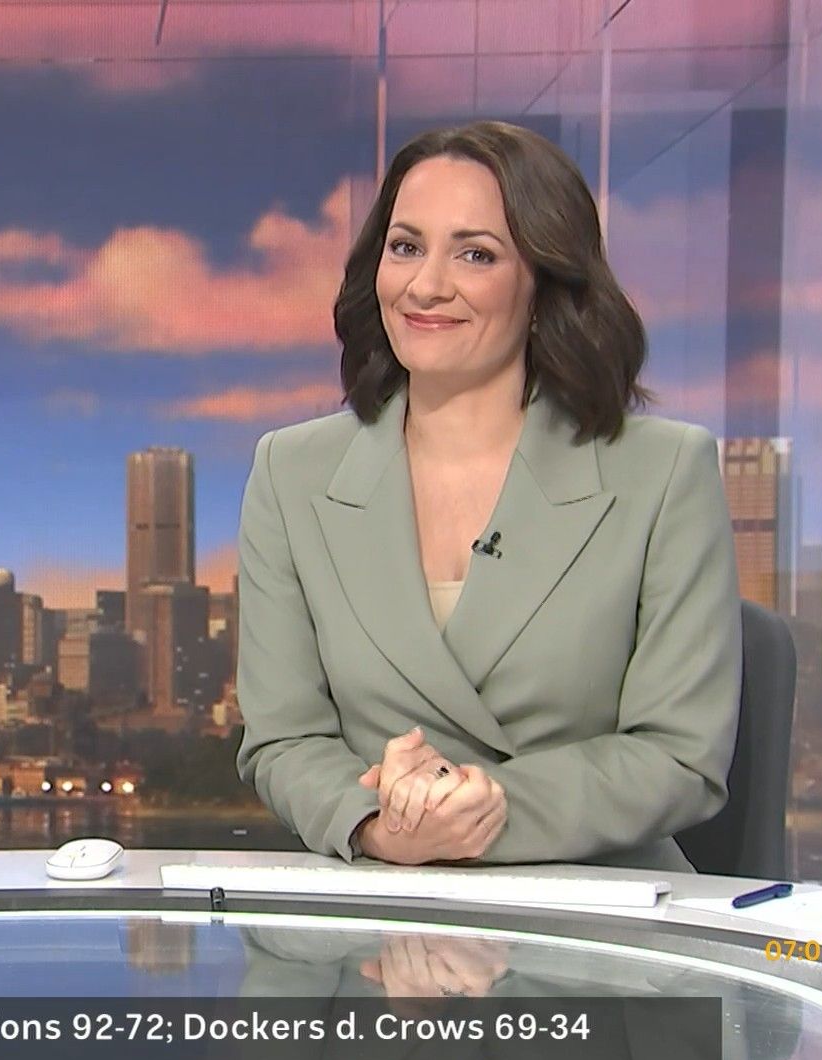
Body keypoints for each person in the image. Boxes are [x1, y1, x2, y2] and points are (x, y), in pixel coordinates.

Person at [234, 120, 739, 871]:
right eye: (406, 247)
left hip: (596, 903)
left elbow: (679, 754)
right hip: (382, 894)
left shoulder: (664, 471)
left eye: (475, 254)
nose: (426, 285)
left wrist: (480, 808)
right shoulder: (291, 472)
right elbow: (284, 739)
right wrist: (376, 823)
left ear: (544, 284)